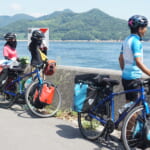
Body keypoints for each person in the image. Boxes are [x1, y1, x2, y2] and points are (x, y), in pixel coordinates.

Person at [119, 15, 150, 104]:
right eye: (145, 28)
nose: (146, 30)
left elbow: (120, 58)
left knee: (129, 104)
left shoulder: (126, 40)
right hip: (134, 79)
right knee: (135, 106)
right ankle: (131, 118)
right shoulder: (136, 42)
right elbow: (138, 62)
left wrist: (125, 70)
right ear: (140, 29)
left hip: (125, 78)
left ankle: (128, 118)